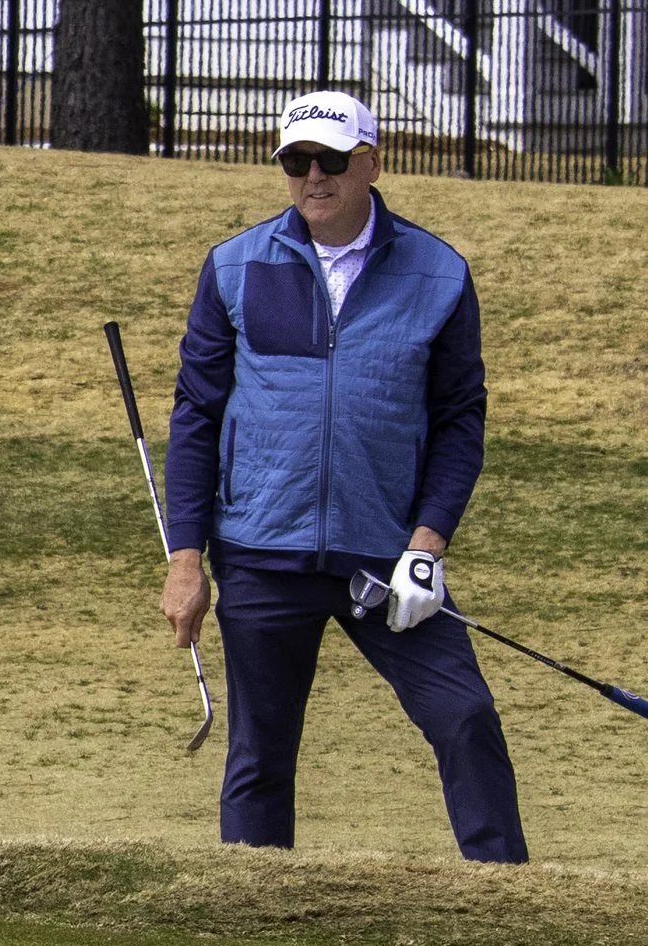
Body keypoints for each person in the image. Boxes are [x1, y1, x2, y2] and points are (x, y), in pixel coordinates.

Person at [161, 90, 525, 863]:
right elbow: (196, 415)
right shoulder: (235, 266)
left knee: (464, 716)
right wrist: (185, 559)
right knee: (259, 757)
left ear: (373, 163)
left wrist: (427, 544)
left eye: (330, 160)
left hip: (387, 559)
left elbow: (461, 421)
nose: (313, 177)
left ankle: (507, 901)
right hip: (261, 551)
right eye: (297, 161)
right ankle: (256, 926)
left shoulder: (439, 272)